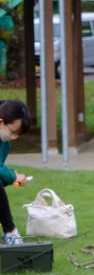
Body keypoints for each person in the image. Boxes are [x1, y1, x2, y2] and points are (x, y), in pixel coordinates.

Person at [0, 99, 31, 245]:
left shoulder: (4, 142)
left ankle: (10, 232)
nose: (15, 136)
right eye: (13, 132)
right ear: (1, 122)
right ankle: (10, 231)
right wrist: (13, 177)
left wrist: (13, 178)